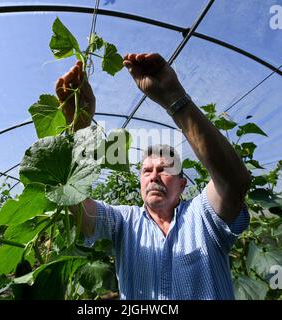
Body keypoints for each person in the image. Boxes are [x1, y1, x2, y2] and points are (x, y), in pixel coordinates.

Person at [55, 53, 251, 300]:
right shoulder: (123, 222)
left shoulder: (202, 216)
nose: (154, 176)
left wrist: (173, 97)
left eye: (165, 169)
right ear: (140, 183)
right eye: (146, 171)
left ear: (182, 184)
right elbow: (76, 208)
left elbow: (234, 181)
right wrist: (79, 129)